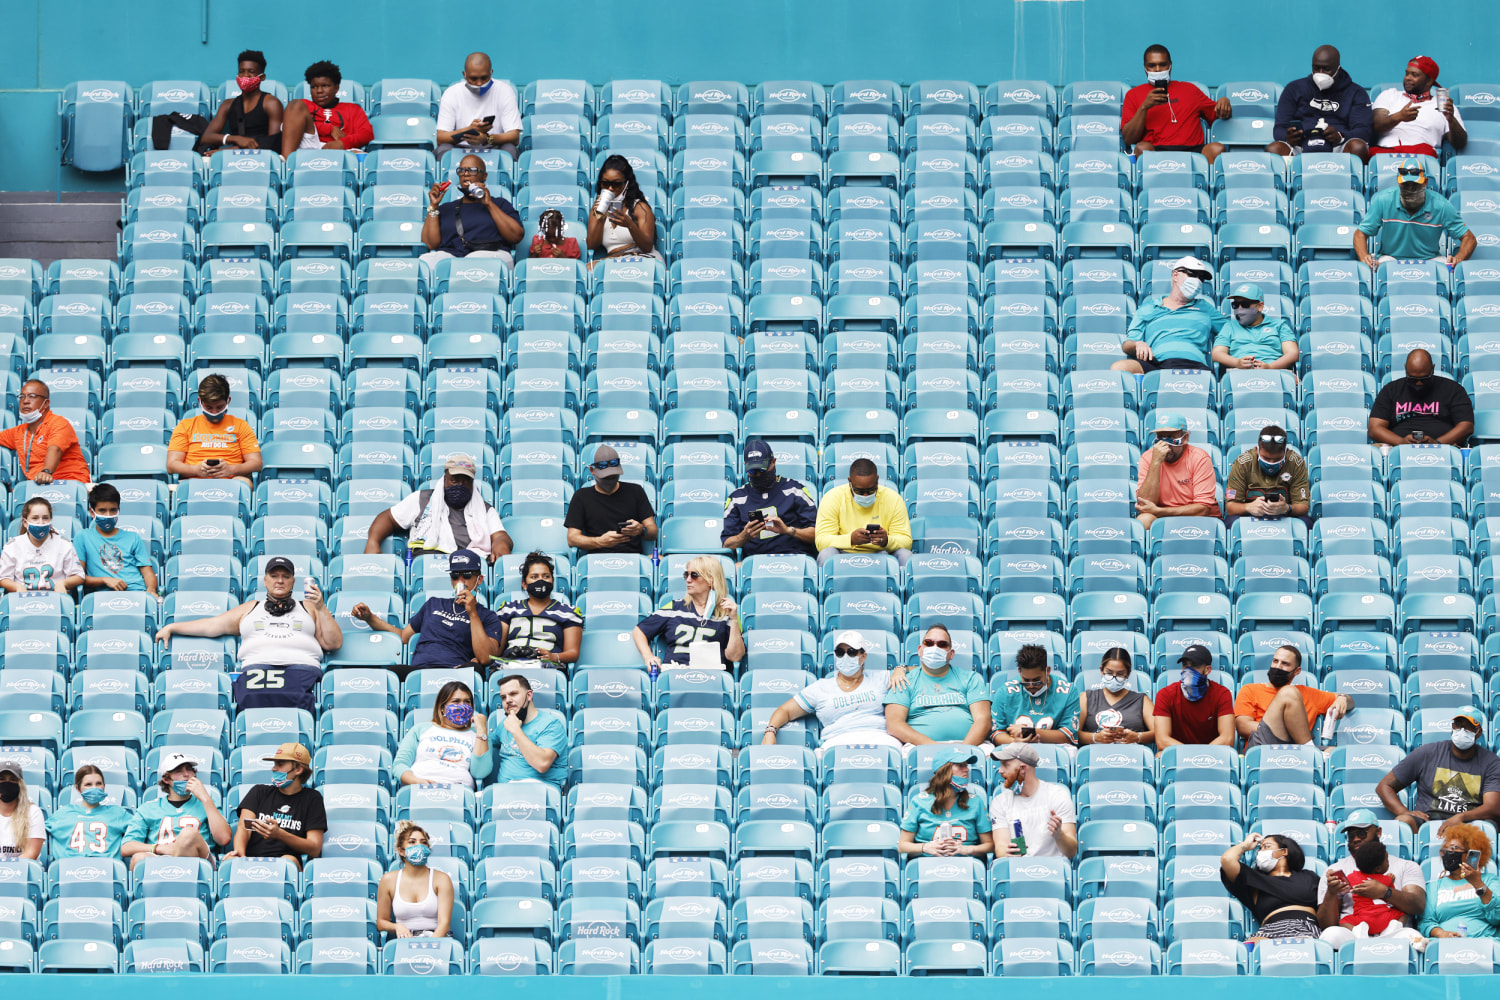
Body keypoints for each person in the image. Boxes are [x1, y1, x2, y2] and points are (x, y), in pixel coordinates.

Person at [155, 556, 341, 713]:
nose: (280, 580)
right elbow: (212, 625)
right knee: (252, 700)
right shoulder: (249, 608)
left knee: (294, 704)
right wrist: (173, 627)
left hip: (302, 668)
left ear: (293, 581)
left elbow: (333, 643)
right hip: (257, 670)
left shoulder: (310, 606)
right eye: (274, 576)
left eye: (286, 576)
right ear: (265, 581)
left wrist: (321, 607)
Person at [351, 549, 502, 680]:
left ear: (479, 579)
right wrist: (369, 618)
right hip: (420, 672)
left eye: (467, 575)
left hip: (455, 672)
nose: (460, 581)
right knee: (390, 675)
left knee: (475, 670)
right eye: (455, 575)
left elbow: (485, 658)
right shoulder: (433, 603)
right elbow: (404, 636)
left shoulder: (488, 616)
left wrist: (472, 612)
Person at [762, 630, 903, 748]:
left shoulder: (882, 678)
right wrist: (770, 731)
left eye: (852, 652)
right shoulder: (820, 687)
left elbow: (919, 671)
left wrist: (901, 669)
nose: (846, 656)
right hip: (838, 741)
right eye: (840, 652)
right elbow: (785, 711)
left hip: (880, 738)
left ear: (863, 656)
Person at [365, 454, 512, 564]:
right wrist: (373, 541)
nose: (459, 486)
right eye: (454, 480)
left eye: (465, 481)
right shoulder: (421, 499)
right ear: (444, 479)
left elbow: (500, 535)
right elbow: (388, 518)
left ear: (472, 483)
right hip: (429, 562)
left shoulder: (485, 510)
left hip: (467, 567)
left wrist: (501, 544)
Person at [1318, 811, 1427, 950]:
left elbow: (1417, 905)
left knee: (1412, 935)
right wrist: (1332, 893)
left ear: (1379, 832)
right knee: (1329, 935)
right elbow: (1325, 924)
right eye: (1350, 836)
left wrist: (1385, 892)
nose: (1355, 839)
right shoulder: (1336, 870)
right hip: (1354, 933)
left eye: (1361, 833)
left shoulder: (1406, 866)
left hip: (1394, 932)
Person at [1377, 712, 1500, 833]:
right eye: (1458, 725)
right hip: (1426, 822)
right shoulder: (1427, 753)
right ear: (1452, 727)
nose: (1462, 731)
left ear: (1478, 732)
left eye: (1469, 727)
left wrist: (1462, 817)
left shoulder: (1491, 762)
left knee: (1486, 828)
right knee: (1403, 821)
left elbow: (1493, 807)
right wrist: (1403, 812)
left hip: (1468, 825)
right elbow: (1384, 786)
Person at [1120, 44, 1232, 164]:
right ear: (1145, 68)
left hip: (1193, 150)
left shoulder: (1190, 90)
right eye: (1152, 65)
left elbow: (1218, 115)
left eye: (1163, 64)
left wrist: (1224, 101)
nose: (1157, 69)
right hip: (1156, 150)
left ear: (1170, 66)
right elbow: (1128, 139)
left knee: (1216, 148)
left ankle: (1206, 180)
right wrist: (1144, 107)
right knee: (1142, 148)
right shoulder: (1133, 94)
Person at [884, 624, 993, 746]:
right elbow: (895, 725)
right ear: (920, 650)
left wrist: (963, 751)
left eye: (942, 644)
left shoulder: (971, 678)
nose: (934, 648)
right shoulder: (903, 679)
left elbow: (983, 720)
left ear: (951, 654)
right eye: (929, 643)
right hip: (920, 746)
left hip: (971, 745)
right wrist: (933, 747)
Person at [1113, 256, 1225, 374]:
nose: (1197, 281)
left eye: (1201, 278)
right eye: (1192, 274)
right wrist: (1137, 344)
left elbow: (1233, 333)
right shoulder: (1148, 307)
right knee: (1119, 367)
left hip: (1196, 366)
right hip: (1156, 365)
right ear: (1175, 275)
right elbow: (1127, 344)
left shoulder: (1205, 308)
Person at [1354, 160, 1475, 269]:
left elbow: (1469, 238)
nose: (1410, 189)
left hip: (1430, 260)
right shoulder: (1383, 200)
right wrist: (1364, 256)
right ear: (1398, 182)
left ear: (1425, 182)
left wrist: (1459, 258)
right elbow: (1360, 233)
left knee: (1446, 270)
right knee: (1379, 268)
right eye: (1406, 185)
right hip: (1391, 258)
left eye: (1415, 185)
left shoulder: (1441, 205)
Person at [120, 752, 233, 869]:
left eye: (189, 769)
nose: (186, 774)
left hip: (200, 863)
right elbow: (126, 847)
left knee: (188, 833)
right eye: (178, 771)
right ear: (166, 779)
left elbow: (224, 839)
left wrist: (205, 798)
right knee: (139, 858)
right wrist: (158, 848)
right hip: (161, 862)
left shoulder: (208, 803)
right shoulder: (148, 808)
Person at [633, 557, 745, 670]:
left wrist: (734, 619)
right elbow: (639, 631)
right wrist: (648, 656)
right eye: (687, 575)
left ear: (711, 580)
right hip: (675, 674)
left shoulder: (727, 612)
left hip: (711, 677)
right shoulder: (673, 607)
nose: (688, 580)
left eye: (694, 575)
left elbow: (735, 657)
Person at [227, 743, 326, 868]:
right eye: (275, 764)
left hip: (285, 863)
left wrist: (279, 834)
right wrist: (240, 856)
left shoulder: (312, 798)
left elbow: (314, 848)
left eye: (280, 764)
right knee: (229, 860)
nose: (274, 768)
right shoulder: (259, 792)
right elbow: (244, 828)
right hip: (251, 859)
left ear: (298, 769)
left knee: (287, 861)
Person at [419, 154, 525, 270]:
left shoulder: (500, 204)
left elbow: (516, 236)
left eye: (472, 170)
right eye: (462, 170)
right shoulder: (447, 208)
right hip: (454, 256)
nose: (466, 173)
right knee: (425, 262)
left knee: (474, 260)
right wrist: (433, 206)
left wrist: (489, 204)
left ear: (484, 176)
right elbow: (430, 244)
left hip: (492, 253)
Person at [1268, 45, 1372, 161]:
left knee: (1358, 147)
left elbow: (1364, 131)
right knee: (1274, 149)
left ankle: (1348, 178)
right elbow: (1279, 128)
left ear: (1338, 68)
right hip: (1300, 147)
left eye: (1326, 69)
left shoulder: (1356, 92)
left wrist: (1341, 137)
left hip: (1338, 147)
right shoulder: (1294, 88)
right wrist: (1288, 137)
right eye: (1316, 68)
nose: (1320, 74)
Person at [1235, 645, 1351, 747]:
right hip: (1263, 747)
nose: (1278, 667)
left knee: (1336, 753)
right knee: (1288, 692)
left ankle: (1308, 751)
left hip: (1296, 749)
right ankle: (1310, 751)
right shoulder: (1250, 689)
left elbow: (1351, 701)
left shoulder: (1309, 694)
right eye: (1275, 661)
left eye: (1284, 663)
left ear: (1297, 671)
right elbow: (1243, 726)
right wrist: (1288, 731)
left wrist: (1342, 698)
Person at [721, 438, 817, 558]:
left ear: (773, 462)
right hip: (755, 564)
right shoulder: (736, 498)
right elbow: (726, 544)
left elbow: (817, 535)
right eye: (753, 471)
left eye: (763, 469)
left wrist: (788, 530)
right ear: (745, 467)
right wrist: (745, 536)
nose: (759, 475)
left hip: (794, 559)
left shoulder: (795, 490)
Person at [492, 551, 584, 670]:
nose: (541, 581)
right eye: (534, 577)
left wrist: (554, 657)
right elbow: (497, 650)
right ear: (524, 584)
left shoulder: (569, 612)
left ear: (552, 581)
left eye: (546, 576)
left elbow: (572, 652)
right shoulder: (508, 609)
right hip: (511, 664)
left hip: (547, 667)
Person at [1221, 832, 1321, 940]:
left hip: (1305, 927)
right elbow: (1227, 859)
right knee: (1253, 945)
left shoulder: (1308, 876)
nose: (1261, 852)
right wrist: (1245, 845)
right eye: (1259, 849)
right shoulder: (1254, 879)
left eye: (1266, 846)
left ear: (1284, 851)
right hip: (1268, 931)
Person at [166, 373, 263, 485]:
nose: (214, 412)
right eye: (209, 407)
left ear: (228, 401)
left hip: (230, 481)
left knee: (244, 483)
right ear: (200, 402)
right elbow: (172, 465)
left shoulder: (241, 425)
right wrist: (196, 470)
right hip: (193, 481)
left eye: (219, 407)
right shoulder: (185, 425)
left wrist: (231, 469)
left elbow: (257, 463)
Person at [897, 747, 994, 859]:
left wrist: (968, 849)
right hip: (927, 867)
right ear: (944, 770)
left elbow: (990, 845)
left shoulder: (975, 801)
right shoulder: (919, 801)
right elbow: (902, 846)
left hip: (966, 868)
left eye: (966, 765)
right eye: (960, 765)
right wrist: (924, 847)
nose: (967, 769)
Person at [392, 680, 491, 789]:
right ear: (442, 707)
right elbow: (399, 765)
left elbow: (480, 772)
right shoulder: (421, 729)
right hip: (418, 787)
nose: (462, 706)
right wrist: (417, 782)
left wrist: (481, 730)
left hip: (458, 790)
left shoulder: (478, 735)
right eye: (456, 701)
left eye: (467, 702)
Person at [813, 458, 913, 566]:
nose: (865, 495)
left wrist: (887, 541)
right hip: (843, 553)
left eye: (870, 490)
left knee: (905, 554)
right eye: (859, 491)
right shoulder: (832, 498)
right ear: (849, 481)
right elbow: (821, 541)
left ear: (877, 480)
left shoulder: (893, 499)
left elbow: (906, 541)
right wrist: (851, 539)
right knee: (826, 554)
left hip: (883, 553)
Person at [1368, 348, 1475, 447]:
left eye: (1424, 379)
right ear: (1405, 369)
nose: (1418, 384)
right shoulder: (1391, 390)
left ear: (1433, 369)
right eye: (1413, 379)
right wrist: (1401, 442)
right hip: (1396, 447)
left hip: (1443, 447)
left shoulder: (1453, 389)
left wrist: (1437, 443)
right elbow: (1374, 428)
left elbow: (1466, 426)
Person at [564, 444, 658, 555]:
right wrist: (600, 542)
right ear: (592, 471)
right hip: (597, 561)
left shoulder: (635, 491)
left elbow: (653, 532)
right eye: (605, 476)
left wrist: (641, 530)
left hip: (633, 560)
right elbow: (572, 538)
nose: (609, 479)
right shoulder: (581, 496)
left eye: (613, 475)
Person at [989, 743, 1077, 859]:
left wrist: (1059, 835)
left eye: (1006, 765)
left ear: (1023, 768)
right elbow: (1000, 847)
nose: (1000, 771)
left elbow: (1071, 852)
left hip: (1053, 871)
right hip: (1018, 869)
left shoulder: (1057, 795)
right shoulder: (1000, 801)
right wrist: (1007, 853)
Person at [1135, 411, 1220, 529]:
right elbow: (1144, 504)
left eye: (1170, 437)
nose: (1165, 444)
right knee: (1144, 520)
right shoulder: (1148, 457)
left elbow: (1202, 510)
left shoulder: (1200, 458)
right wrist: (1155, 463)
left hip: (1198, 519)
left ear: (1185, 438)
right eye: (1160, 437)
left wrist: (1160, 511)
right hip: (1163, 518)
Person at [1418, 822, 1500, 941]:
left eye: (1454, 848)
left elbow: (1497, 917)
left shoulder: (1489, 880)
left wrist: (1478, 884)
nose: (1448, 852)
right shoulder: (1434, 886)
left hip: (1485, 943)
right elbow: (1426, 922)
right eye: (1447, 848)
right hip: (1445, 946)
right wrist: (1441, 933)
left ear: (1472, 854)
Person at [1372, 55, 1467, 157]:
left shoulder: (1444, 105)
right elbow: (1375, 126)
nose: (1408, 78)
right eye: (1407, 73)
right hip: (1386, 156)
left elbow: (1460, 144)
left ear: (1429, 81)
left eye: (1414, 75)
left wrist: (1451, 120)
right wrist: (1399, 116)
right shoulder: (1389, 95)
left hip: (1422, 159)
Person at [74, 483, 158, 597]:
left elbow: (148, 573)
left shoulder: (133, 537)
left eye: (113, 510)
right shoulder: (82, 537)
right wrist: (104, 580)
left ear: (119, 510)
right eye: (102, 510)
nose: (108, 515)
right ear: (91, 512)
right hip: (103, 598)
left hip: (137, 592)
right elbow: (79, 577)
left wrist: (151, 590)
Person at [0, 378, 90, 484]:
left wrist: (46, 471)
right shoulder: (19, 432)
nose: (25, 401)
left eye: (32, 396)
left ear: (46, 403)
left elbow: (55, 449)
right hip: (38, 487)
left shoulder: (58, 423)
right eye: (22, 397)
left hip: (72, 483)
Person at [435, 51, 522, 158]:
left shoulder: (505, 91)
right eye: (473, 78)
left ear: (491, 73)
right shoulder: (451, 93)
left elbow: (514, 137)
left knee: (510, 150)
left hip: (494, 146)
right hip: (459, 149)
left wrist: (486, 139)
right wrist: (469, 130)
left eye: (484, 78)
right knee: (443, 151)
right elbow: (441, 138)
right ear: (464, 74)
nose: (479, 83)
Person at [989, 644, 1080, 746]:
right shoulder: (1005, 692)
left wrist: (1030, 732)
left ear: (1048, 671)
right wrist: (1014, 741)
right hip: (1015, 747)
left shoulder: (1068, 691)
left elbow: (1068, 737)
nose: (1031, 685)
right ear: (1019, 672)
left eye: (1037, 680)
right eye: (1026, 681)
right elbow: (996, 733)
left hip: (1054, 747)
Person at [377, 823, 455, 939]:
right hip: (405, 941)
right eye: (412, 842)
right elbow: (381, 922)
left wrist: (428, 946)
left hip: (436, 940)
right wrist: (397, 926)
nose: (419, 846)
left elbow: (444, 925)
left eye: (423, 842)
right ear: (401, 851)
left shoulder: (442, 879)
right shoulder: (388, 880)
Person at [195, 50, 283, 152]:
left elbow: (273, 142)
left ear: (262, 77)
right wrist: (235, 138)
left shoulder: (271, 103)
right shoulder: (227, 105)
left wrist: (231, 150)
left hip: (262, 157)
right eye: (241, 71)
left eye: (251, 72)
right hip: (233, 160)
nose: (245, 76)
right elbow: (206, 137)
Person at [280, 59, 372, 157]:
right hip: (308, 146)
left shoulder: (352, 109)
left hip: (341, 150)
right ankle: (287, 163)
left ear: (336, 88)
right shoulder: (303, 106)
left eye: (325, 86)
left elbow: (367, 134)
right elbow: (292, 126)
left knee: (364, 157)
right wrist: (329, 128)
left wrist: (342, 143)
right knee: (295, 105)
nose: (319, 91)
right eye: (314, 87)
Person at [1223, 425, 1311, 526]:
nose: (1271, 463)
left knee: (1306, 523)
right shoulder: (1242, 463)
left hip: (1284, 515)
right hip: (1249, 516)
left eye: (1277, 459)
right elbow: (1230, 507)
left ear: (1285, 452)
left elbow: (1303, 506)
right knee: (1231, 523)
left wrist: (1287, 508)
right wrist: (1248, 507)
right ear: (1257, 450)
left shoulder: (1296, 463)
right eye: (1266, 458)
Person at [1153, 644, 1235, 751]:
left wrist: (1200, 756)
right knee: (1160, 756)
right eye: (1185, 665)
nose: (1188, 670)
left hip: (1213, 756)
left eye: (1194, 666)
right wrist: (1191, 756)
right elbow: (1162, 741)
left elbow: (1227, 739)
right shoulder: (1165, 694)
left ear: (1207, 670)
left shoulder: (1222, 694)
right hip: (1177, 755)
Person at [493, 674, 568, 788]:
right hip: (504, 793)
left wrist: (516, 730)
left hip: (541, 792)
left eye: (513, 694)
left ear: (529, 695)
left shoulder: (551, 724)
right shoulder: (504, 724)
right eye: (503, 697)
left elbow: (542, 764)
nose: (508, 700)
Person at [0, 496, 84, 594]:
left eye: (45, 518)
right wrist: (17, 587)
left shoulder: (64, 544)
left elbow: (79, 576)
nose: (40, 522)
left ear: (50, 520)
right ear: (25, 522)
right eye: (35, 518)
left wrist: (62, 583)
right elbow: (3, 577)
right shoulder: (12, 546)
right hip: (22, 602)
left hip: (55, 599)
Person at [47, 765, 132, 860]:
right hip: (70, 868)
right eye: (88, 784)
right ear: (78, 789)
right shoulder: (64, 813)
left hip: (107, 867)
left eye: (98, 783)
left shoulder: (117, 813)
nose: (94, 788)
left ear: (104, 786)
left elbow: (140, 830)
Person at [586, 154, 660, 261]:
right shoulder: (597, 209)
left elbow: (647, 247)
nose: (610, 188)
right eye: (605, 183)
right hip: (614, 260)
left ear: (627, 184)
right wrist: (600, 219)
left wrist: (630, 224)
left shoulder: (639, 208)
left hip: (641, 258)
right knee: (588, 268)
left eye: (616, 184)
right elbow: (592, 245)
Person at [1077, 648, 1156, 747]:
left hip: (1132, 757)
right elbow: (1073, 733)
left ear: (1128, 674)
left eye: (1120, 674)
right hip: (1094, 757)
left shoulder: (1142, 700)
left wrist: (1138, 737)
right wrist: (1095, 737)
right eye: (1109, 673)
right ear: (1101, 670)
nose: (1114, 677)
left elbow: (1158, 732)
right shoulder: (1086, 698)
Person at [1211, 283, 1299, 371]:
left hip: (1275, 370)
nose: (1240, 308)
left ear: (1260, 306)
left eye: (1245, 304)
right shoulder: (1230, 326)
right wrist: (1237, 363)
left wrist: (1270, 367)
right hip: (1239, 373)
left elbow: (1292, 353)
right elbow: (1217, 353)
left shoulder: (1279, 325)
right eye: (1235, 305)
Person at [0, 758, 43, 861]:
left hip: (22, 872)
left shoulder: (33, 812)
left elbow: (31, 853)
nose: (7, 783)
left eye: (12, 779)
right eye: (1, 779)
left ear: (20, 784)